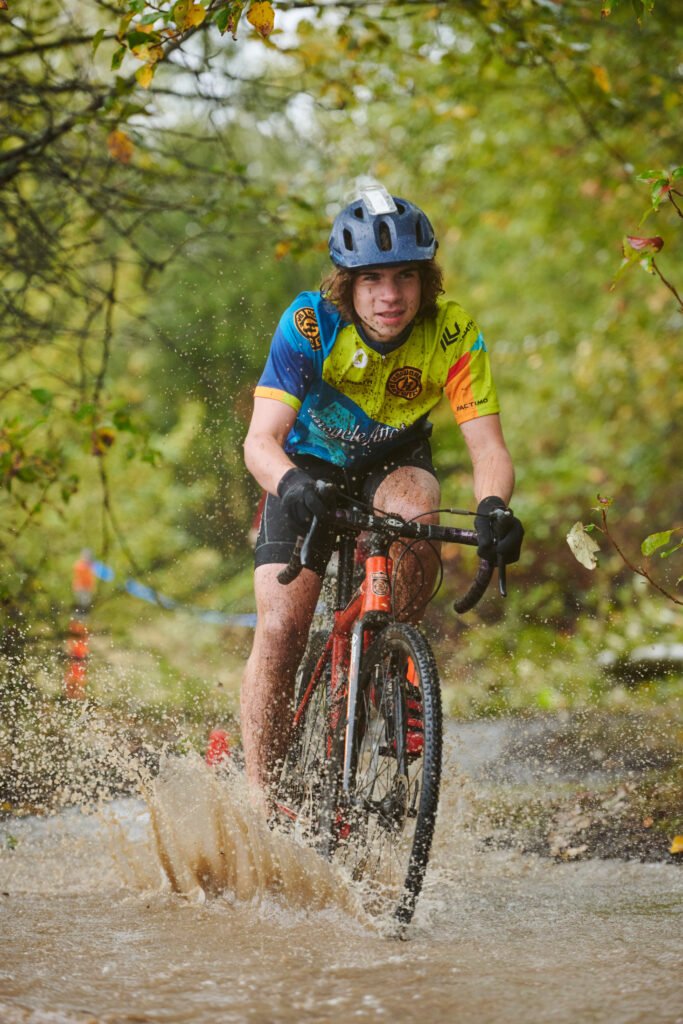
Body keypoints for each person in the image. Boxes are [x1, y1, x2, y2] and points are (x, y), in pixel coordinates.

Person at [241, 184, 523, 798]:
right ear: (347, 284)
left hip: (394, 462)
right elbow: (260, 441)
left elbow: (489, 448)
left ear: (426, 280)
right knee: (282, 629)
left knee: (417, 510)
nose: (390, 295)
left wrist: (494, 507)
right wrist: (291, 483)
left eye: (404, 276)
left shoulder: (452, 333)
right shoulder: (310, 324)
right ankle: (263, 799)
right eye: (372, 279)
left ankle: (391, 664)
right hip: (305, 467)